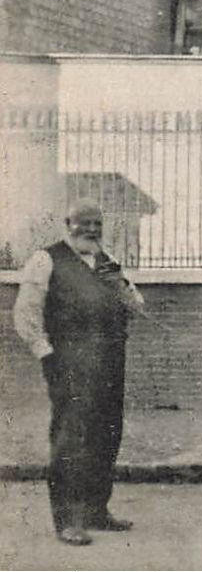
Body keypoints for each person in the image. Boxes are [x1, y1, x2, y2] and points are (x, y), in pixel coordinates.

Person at [11, 202, 142, 545]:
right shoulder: (47, 259)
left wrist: (121, 286)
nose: (91, 230)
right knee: (72, 438)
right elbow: (26, 312)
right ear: (68, 224)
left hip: (111, 362)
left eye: (97, 224)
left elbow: (137, 308)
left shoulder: (108, 261)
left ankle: (96, 511)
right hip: (69, 363)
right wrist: (46, 353)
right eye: (83, 223)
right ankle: (67, 521)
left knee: (107, 434)